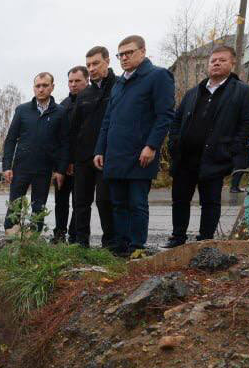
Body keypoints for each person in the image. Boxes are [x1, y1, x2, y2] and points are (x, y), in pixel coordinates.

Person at [164, 45, 249, 246]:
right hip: (185, 157)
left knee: (210, 202)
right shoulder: (194, 92)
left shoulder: (243, 92)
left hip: (215, 158)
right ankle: (178, 237)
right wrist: (174, 143)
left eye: (222, 60)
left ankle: (205, 241)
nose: (216, 63)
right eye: (213, 60)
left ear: (232, 63)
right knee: (180, 200)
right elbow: (176, 120)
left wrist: (231, 149)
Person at [94, 35, 174, 255]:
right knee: (118, 204)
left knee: (137, 203)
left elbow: (165, 115)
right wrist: (100, 149)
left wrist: (151, 146)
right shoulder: (119, 83)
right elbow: (108, 120)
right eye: (121, 54)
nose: (124, 57)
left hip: (140, 154)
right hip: (115, 154)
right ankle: (121, 247)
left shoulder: (158, 76)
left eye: (129, 52)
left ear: (143, 51)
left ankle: (136, 248)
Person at [64, 47, 118, 248]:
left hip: (107, 156)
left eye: (96, 63)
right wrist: (71, 159)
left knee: (104, 201)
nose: (92, 68)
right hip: (83, 158)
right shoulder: (85, 94)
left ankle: (109, 243)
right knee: (80, 202)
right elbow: (74, 129)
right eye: (88, 65)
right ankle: (81, 242)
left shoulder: (118, 86)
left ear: (107, 61)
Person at [2, 72, 66, 232]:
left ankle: (33, 239)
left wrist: (60, 169)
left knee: (38, 207)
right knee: (15, 205)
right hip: (21, 168)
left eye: (45, 85)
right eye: (38, 86)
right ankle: (11, 237)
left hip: (44, 169)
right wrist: (7, 166)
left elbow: (64, 144)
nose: (41, 89)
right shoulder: (22, 110)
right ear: (33, 88)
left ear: (52, 87)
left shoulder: (60, 112)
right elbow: (10, 140)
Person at [51, 65, 89, 242]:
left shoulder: (91, 102)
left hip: (83, 162)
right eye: (70, 81)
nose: (73, 85)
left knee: (79, 202)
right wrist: (61, 164)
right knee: (61, 200)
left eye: (77, 81)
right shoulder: (63, 106)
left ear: (87, 80)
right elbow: (59, 137)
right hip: (62, 163)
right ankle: (59, 234)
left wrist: (74, 161)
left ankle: (74, 235)